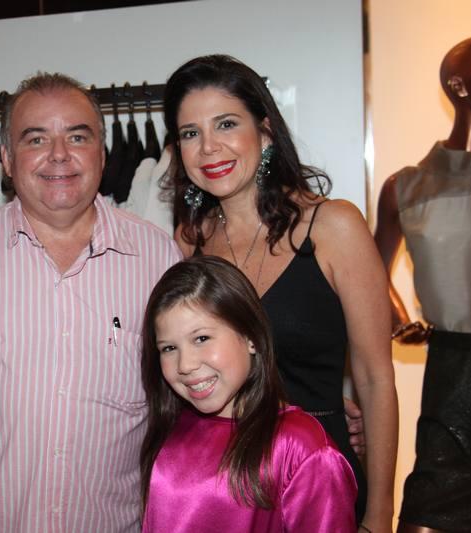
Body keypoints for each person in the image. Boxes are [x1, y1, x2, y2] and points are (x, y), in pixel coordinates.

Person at [0, 73, 181, 532]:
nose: (60, 154)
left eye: (78, 137)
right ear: (7, 159)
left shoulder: (158, 256)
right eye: (36, 139)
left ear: (102, 153)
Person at [164, 54, 397, 532]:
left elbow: (375, 378)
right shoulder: (190, 240)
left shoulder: (333, 227)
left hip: (318, 480)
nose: (208, 147)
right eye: (190, 133)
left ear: (265, 131)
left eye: (226, 124)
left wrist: (379, 514)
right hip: (223, 487)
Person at [375, 34, 471, 533]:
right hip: (451, 373)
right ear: (458, 85)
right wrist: (398, 318)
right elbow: (374, 272)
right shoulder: (406, 186)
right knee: (426, 513)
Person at [140, 255, 357, 532]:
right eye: (169, 348)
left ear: (251, 337)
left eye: (202, 338)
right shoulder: (172, 426)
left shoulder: (300, 448)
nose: (185, 365)